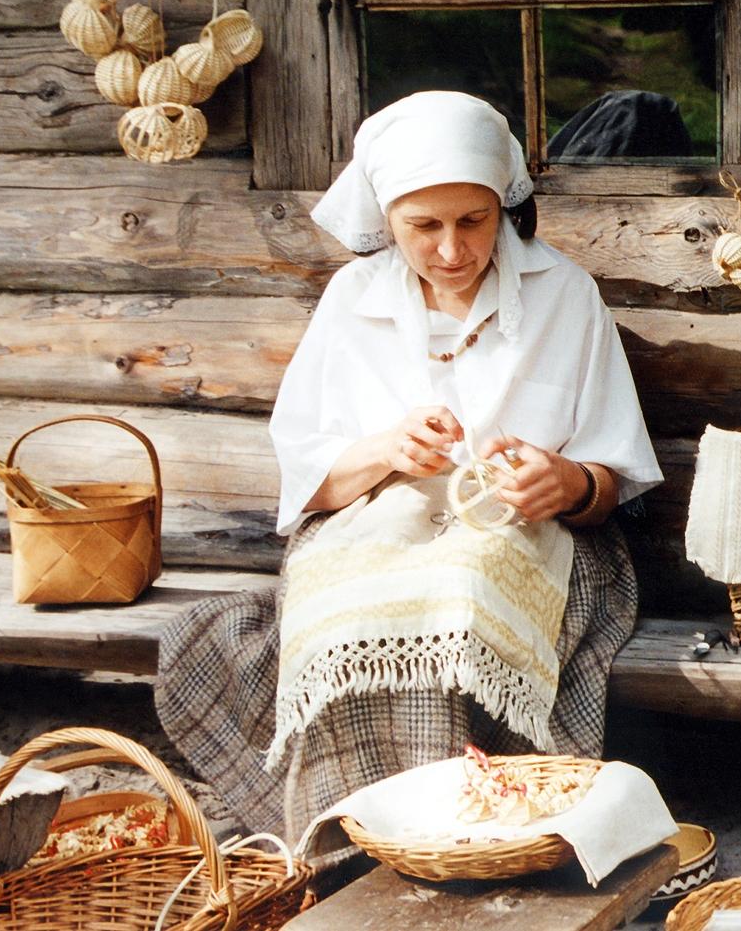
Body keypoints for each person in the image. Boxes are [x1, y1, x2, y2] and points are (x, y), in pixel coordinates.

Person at [156, 91, 662, 852]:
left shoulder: (565, 295)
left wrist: (569, 480)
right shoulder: (351, 301)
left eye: (473, 221)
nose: (453, 250)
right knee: (360, 610)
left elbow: (611, 479)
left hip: (533, 539)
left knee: (461, 588)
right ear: (386, 219)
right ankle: (361, 840)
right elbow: (309, 483)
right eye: (424, 227)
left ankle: (464, 839)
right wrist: (386, 450)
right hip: (373, 527)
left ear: (505, 206)